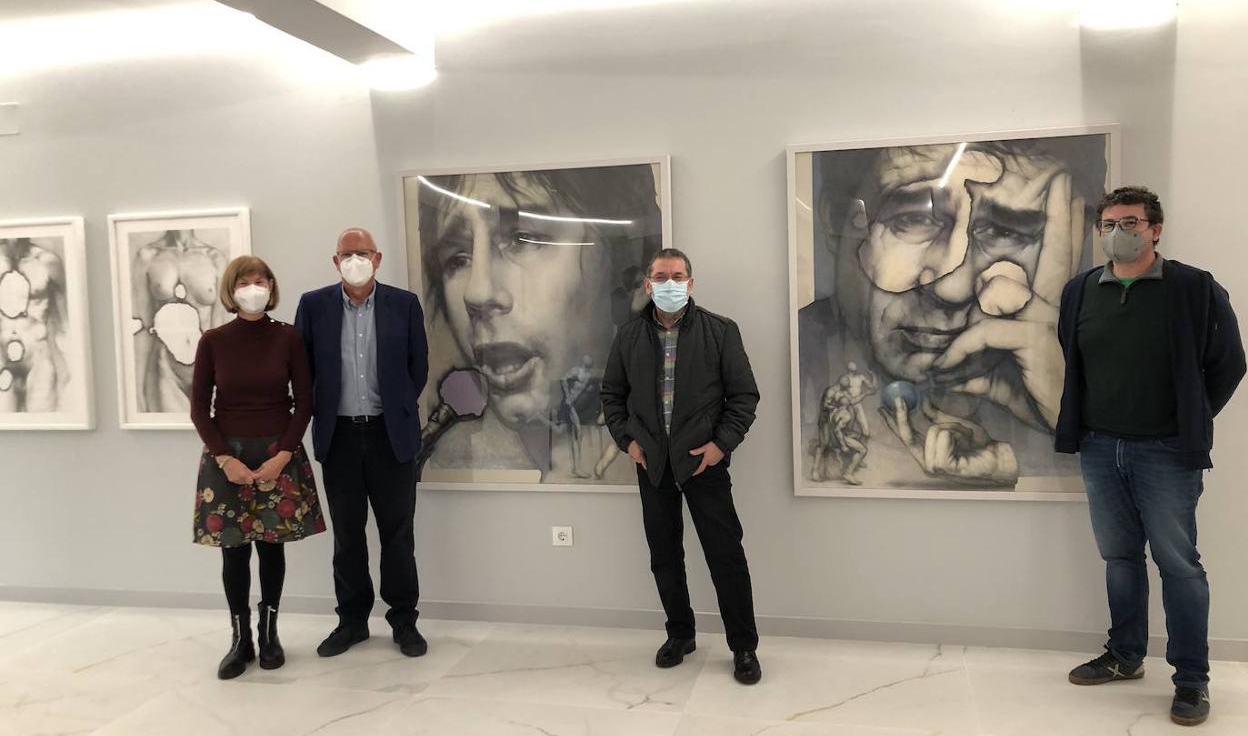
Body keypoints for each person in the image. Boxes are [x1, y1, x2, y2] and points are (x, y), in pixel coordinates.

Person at [797, 136, 1108, 490]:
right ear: (836, 221)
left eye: (1004, 231)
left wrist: (1070, 416)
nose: (952, 287)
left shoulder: (1081, 377)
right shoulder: (786, 366)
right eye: (914, 220)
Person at [1055, 186, 1245, 727]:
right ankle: (1125, 655)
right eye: (1109, 224)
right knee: (1119, 559)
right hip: (1098, 447)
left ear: (1155, 228)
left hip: (1166, 452)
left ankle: (1191, 682)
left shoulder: (1194, 288)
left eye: (1131, 221)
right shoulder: (1080, 291)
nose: (1119, 231)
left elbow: (1229, 363)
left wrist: (1191, 416)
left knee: (1179, 566)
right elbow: (1075, 357)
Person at [413, 167, 663, 483]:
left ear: (638, 275)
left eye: (524, 238)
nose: (477, 293)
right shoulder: (447, 454)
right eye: (457, 258)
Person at [601, 247, 763, 685]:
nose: (668, 283)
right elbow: (612, 396)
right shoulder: (629, 337)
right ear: (647, 284)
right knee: (664, 556)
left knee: (725, 555)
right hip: (652, 466)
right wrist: (628, 442)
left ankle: (743, 647)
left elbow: (744, 397)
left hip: (704, 467)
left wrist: (720, 446)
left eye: (677, 276)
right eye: (660, 276)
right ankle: (680, 634)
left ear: (690, 284)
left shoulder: (721, 332)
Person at [294, 228, 430, 659]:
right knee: (347, 535)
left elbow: (418, 367)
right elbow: (303, 370)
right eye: (347, 254)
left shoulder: (403, 304)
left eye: (363, 253)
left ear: (378, 257)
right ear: (335, 261)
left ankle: (404, 620)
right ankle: (351, 621)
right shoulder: (313, 306)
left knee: (398, 534)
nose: (355, 259)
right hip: (340, 438)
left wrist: (396, 407)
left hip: (391, 436)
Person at [190, 255, 324, 680]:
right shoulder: (213, 341)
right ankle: (240, 639)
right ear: (232, 289)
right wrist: (224, 458)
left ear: (271, 285)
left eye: (261, 280)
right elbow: (199, 409)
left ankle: (270, 635)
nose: (254, 287)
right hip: (227, 455)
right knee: (234, 551)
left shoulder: (288, 338)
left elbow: (305, 402)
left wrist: (283, 455)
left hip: (277, 452)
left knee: (271, 547)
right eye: (245, 281)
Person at [133, 229, 228, 413]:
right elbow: (142, 327)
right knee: (166, 437)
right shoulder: (148, 256)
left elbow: (220, 325)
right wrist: (137, 390)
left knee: (211, 435)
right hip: (164, 367)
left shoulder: (214, 258)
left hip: (207, 365)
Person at [0, 237, 68, 412]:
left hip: (38, 349)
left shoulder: (47, 261)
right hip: (1, 351)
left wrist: (65, 361)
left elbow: (65, 314)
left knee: (43, 417)